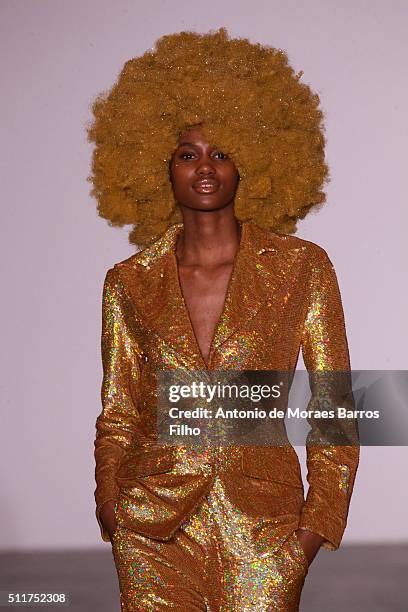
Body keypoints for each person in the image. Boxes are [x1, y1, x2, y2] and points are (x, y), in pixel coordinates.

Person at [88, 28, 359, 611]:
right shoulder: (129, 280)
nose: (204, 169)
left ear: (256, 161)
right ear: (156, 164)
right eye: (187, 153)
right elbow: (119, 411)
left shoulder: (300, 268)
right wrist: (112, 507)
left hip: (265, 529)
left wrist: (314, 530)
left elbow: (334, 406)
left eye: (222, 152)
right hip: (153, 528)